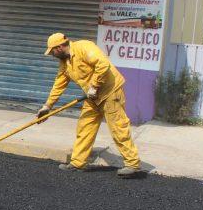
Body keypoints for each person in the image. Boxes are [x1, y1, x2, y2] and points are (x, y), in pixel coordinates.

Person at [38, 33, 141, 178]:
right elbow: (59, 84)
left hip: (110, 92)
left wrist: (94, 86)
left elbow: (103, 64)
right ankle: (77, 163)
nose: (52, 55)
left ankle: (132, 164)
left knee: (119, 127)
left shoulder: (84, 47)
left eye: (52, 51)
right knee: (85, 127)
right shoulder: (65, 62)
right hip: (92, 96)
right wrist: (47, 106)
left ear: (60, 47)